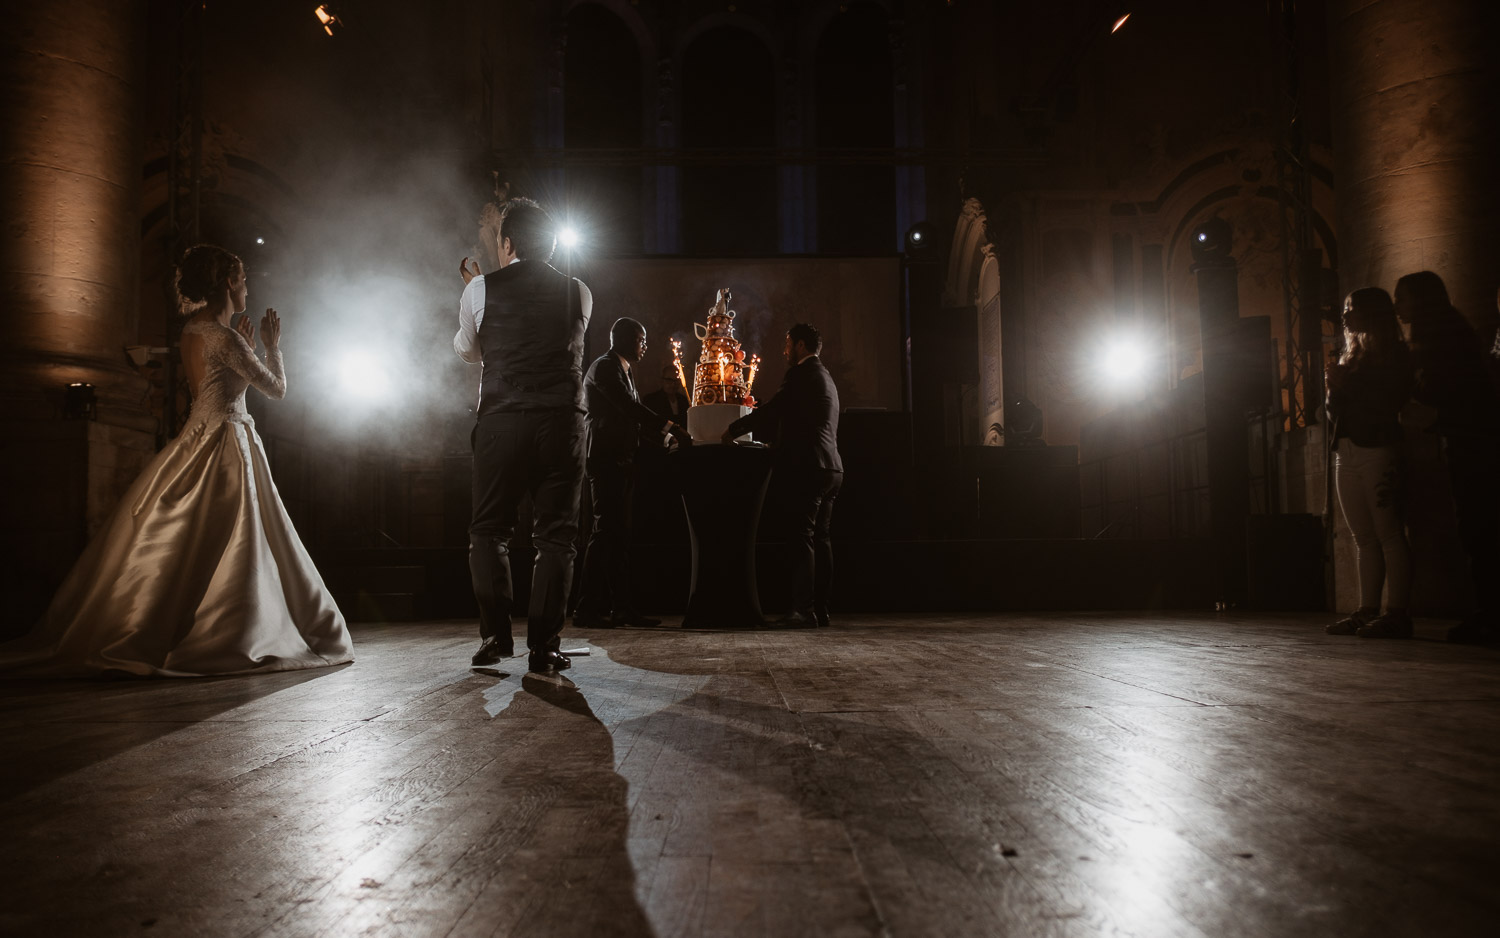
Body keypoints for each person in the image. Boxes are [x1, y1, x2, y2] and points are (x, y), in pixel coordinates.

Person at [0, 244, 353, 677]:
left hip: (194, 435)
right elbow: (277, 389)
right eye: (243, 280)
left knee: (188, 538)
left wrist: (244, 344)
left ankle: (171, 623)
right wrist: (270, 346)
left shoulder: (193, 331)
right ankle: (233, 630)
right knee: (234, 540)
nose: (247, 288)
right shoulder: (224, 337)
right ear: (228, 282)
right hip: (228, 441)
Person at [454, 198, 590, 673]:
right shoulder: (580, 291)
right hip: (561, 423)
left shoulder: (480, 290)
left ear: (506, 243)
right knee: (556, 537)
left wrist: (477, 292)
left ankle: (495, 638)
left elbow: (470, 352)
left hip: (502, 421)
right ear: (552, 246)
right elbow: (565, 346)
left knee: (489, 530)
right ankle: (544, 648)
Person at [1395, 271, 1500, 643]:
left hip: (1474, 443)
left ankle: (1491, 615)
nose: (1397, 307)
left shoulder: (1441, 341)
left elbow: (1447, 393)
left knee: (1480, 528)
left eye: (1403, 298)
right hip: (1471, 440)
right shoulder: (1449, 335)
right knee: (1478, 528)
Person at [723, 323, 843, 628]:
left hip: (809, 467)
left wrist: (735, 428)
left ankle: (803, 611)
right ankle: (821, 609)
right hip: (831, 467)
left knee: (802, 537)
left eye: (788, 344)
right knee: (822, 539)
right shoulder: (825, 376)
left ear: (801, 345)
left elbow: (775, 409)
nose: (785, 349)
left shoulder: (800, 374)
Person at [575, 319, 690, 629]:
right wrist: (671, 427)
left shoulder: (623, 370)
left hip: (621, 460)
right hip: (605, 460)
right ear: (624, 339)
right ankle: (586, 609)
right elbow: (628, 408)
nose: (645, 345)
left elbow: (634, 421)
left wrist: (666, 439)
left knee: (619, 537)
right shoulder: (604, 368)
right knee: (604, 534)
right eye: (641, 338)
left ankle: (622, 608)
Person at [1324, 288, 1414, 638]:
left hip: (1378, 448)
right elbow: (1335, 413)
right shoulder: (1352, 355)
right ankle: (1366, 610)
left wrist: (1348, 387)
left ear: (1373, 313)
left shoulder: (1394, 354)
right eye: (1345, 308)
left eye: (1353, 309)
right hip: (1345, 451)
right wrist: (1334, 389)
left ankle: (1398, 613)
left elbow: (1388, 402)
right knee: (1363, 537)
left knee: (1390, 533)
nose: (1345, 315)